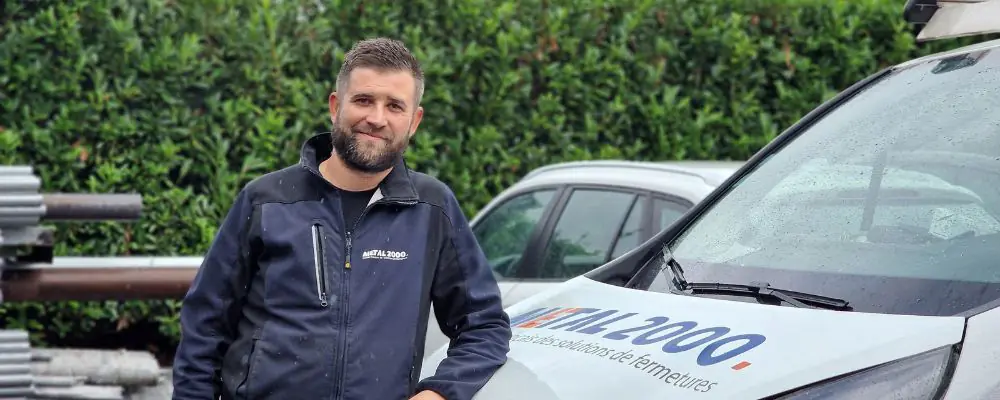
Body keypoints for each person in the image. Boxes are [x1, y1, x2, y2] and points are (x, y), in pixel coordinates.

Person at [172, 37, 512, 400]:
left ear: (414, 121)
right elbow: (204, 330)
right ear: (336, 106)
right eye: (364, 100)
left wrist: (440, 393)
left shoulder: (432, 209)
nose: (376, 118)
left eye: (394, 106)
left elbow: (485, 326)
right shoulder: (265, 201)